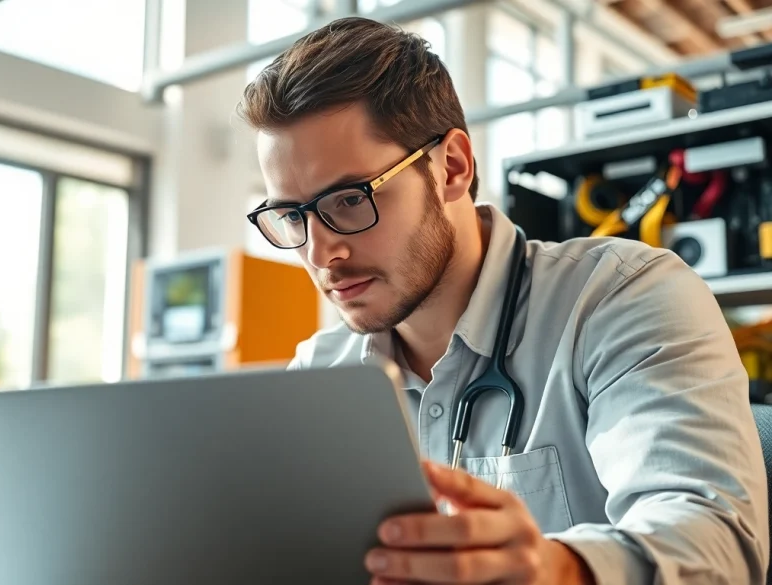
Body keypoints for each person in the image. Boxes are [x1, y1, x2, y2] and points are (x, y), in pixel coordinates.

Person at [238, 16, 769, 585]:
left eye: (349, 199)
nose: (320, 253)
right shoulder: (320, 374)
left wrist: (560, 569)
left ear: (452, 168)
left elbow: (716, 538)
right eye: (291, 215)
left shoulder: (622, 297)